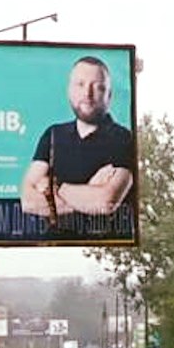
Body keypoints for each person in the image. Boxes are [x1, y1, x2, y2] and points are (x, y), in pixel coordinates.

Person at [19, 55, 135, 234]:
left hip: (103, 246)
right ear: (69, 90)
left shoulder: (122, 138)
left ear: (109, 95)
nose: (87, 94)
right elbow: (27, 201)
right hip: (51, 243)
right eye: (80, 84)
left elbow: (105, 202)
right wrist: (88, 193)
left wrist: (56, 189)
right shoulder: (53, 135)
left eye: (97, 87)